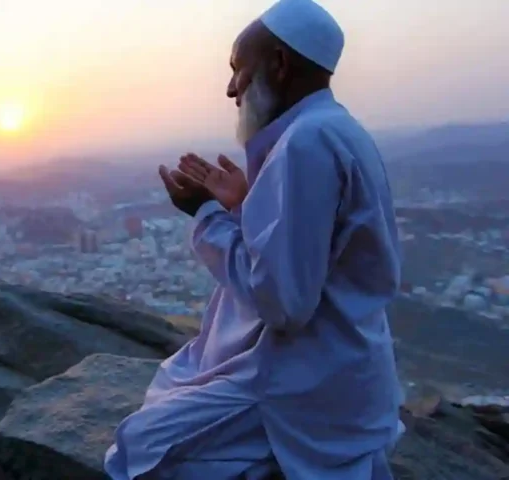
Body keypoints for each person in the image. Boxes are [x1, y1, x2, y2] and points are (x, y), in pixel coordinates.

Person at [103, 0, 405, 479]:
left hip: (305, 381)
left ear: (280, 65)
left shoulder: (306, 144)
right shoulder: (334, 129)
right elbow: (310, 254)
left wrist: (204, 215)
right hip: (342, 369)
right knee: (175, 383)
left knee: (138, 450)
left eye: (237, 70)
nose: (230, 89)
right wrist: (245, 207)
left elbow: (283, 303)